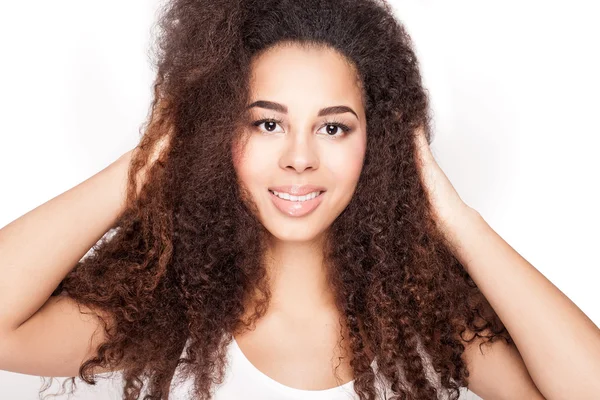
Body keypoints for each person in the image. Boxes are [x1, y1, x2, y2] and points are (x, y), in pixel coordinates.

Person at [2, 0, 599, 399]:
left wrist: (452, 214)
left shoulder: (423, 320)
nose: (299, 157)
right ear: (216, 131)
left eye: (333, 127)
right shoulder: (165, 311)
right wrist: (148, 161)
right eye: (266, 124)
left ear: (380, 141)